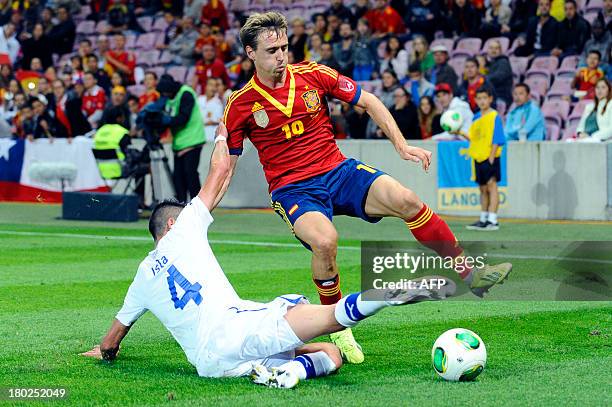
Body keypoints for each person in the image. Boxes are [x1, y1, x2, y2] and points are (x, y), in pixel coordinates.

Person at [220, 12, 512, 364]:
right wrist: (204, 207)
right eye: (272, 50)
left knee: (407, 200)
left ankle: (472, 274)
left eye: (284, 47)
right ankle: (337, 325)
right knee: (325, 241)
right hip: (294, 188)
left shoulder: (314, 74)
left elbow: (369, 100)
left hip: (338, 170)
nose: (281, 55)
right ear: (250, 53)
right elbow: (227, 163)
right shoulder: (240, 104)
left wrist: (401, 146)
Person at [81, 129, 457, 387]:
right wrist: (222, 133)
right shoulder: (184, 228)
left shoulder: (142, 274)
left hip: (211, 366)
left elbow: (111, 344)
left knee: (328, 354)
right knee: (328, 318)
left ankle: (290, 373)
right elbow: (219, 173)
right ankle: (399, 290)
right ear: (173, 222)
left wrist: (99, 352)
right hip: (236, 330)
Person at [157, 74, 206, 202]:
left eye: (166, 92)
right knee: (178, 178)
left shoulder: (186, 93)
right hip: (179, 143)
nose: (165, 95)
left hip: (193, 140)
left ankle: (198, 206)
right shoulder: (167, 98)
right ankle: (181, 206)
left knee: (190, 175)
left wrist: (166, 120)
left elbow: (183, 118)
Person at [466, 87, 506, 231]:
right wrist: (457, 131)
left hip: (490, 157)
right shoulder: (476, 117)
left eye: (485, 98)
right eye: (479, 98)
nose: (482, 101)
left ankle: (493, 220)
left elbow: (497, 138)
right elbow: (473, 138)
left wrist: (491, 157)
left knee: (492, 187)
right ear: (476, 100)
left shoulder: (494, 116)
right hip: (478, 157)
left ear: (490, 99)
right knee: (482, 189)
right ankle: (483, 219)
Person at [484, 39, 512, 106]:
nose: (493, 50)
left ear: (500, 51)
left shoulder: (503, 62)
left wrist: (482, 79)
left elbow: (498, 77)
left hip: (501, 96)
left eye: (496, 48)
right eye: (491, 48)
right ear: (487, 50)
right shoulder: (490, 63)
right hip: (492, 95)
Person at [197, 77, 223, 142]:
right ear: (206, 86)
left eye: (215, 86)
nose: (213, 88)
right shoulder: (199, 99)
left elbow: (214, 121)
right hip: (197, 136)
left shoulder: (218, 103)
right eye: (211, 85)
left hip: (210, 137)